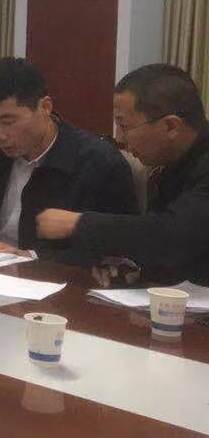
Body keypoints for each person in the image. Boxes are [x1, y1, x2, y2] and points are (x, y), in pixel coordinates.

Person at [0, 57, 136, 254]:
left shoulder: (97, 162)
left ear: (45, 107)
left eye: (8, 122)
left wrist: (29, 257)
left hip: (47, 277)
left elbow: (111, 249)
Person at [33, 63, 209, 284]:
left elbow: (172, 235)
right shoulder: (171, 163)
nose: (119, 139)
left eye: (124, 126)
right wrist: (131, 268)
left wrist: (78, 223)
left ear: (171, 126)